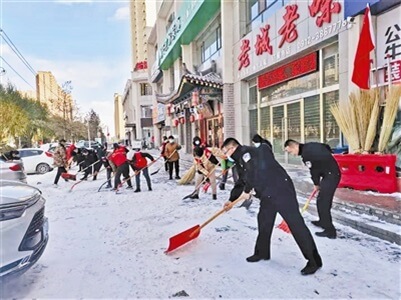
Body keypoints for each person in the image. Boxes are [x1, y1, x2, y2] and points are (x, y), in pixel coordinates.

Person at [222, 137, 322, 276]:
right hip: (266, 193)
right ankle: (262, 253)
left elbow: (252, 173)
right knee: (264, 220)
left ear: (232, 148)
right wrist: (231, 200)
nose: (226, 155)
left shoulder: (247, 153)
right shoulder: (240, 160)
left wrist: (247, 191)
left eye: (226, 151)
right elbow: (241, 181)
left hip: (281, 191)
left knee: (296, 224)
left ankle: (314, 261)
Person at [284, 139, 341, 239]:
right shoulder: (311, 145)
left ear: (294, 146)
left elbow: (314, 171)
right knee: (320, 200)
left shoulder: (306, 155)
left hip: (331, 176)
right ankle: (323, 221)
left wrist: (316, 184)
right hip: (330, 174)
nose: (292, 154)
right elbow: (326, 147)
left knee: (324, 203)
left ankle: (330, 231)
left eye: (290, 152)